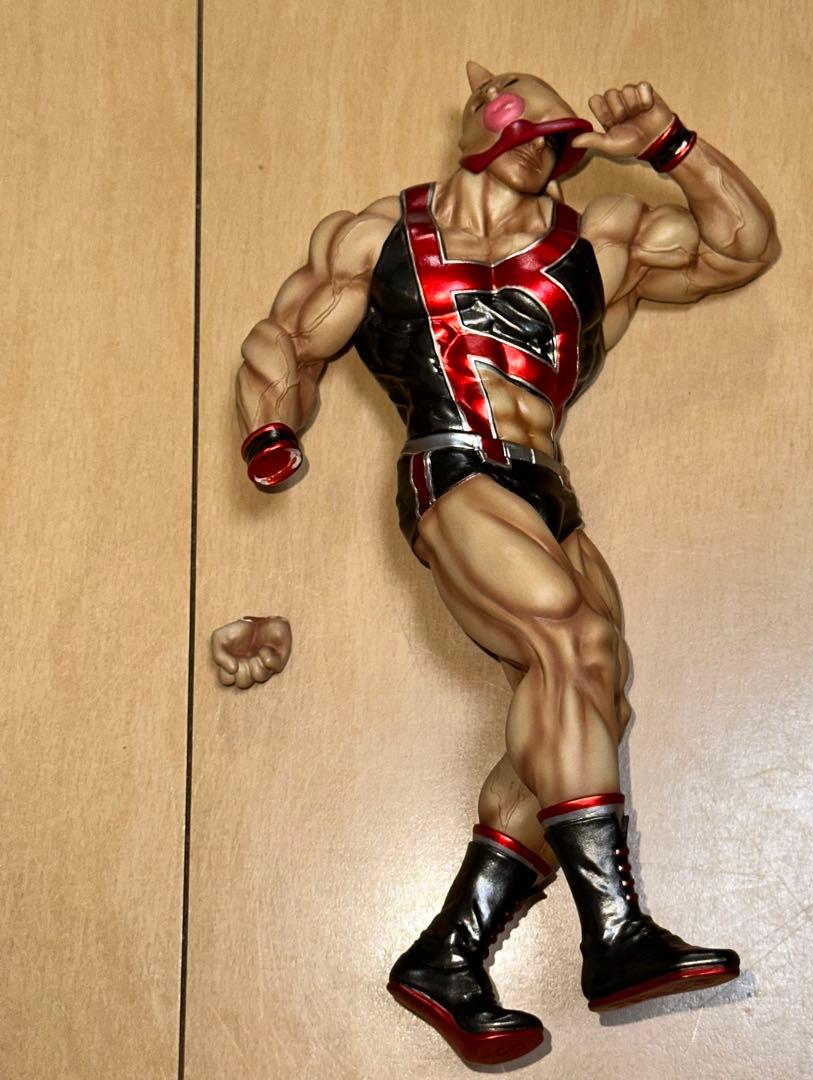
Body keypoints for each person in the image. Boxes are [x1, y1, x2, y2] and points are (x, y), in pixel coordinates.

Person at [221, 62, 780, 1065]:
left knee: (595, 684)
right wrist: (271, 431)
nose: (542, 147)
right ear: (480, 116)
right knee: (572, 641)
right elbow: (286, 342)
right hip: (451, 468)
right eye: (526, 121)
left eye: (557, 137)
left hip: (546, 486)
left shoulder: (599, 239)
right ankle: (615, 933)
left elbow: (742, 244)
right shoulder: (377, 238)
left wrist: (670, 145)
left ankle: (451, 953)